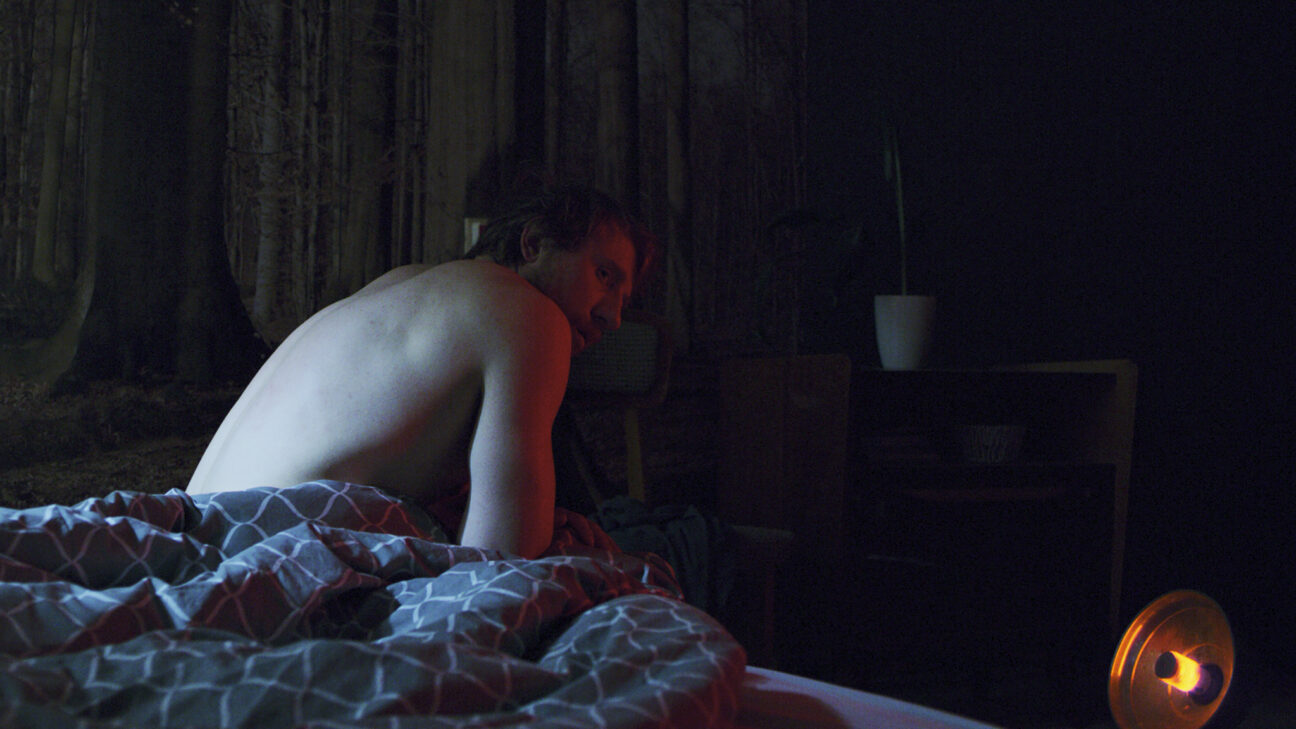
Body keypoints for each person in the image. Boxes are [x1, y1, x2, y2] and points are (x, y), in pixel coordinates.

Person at [186, 185, 656, 559]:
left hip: (192, 531)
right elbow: (503, 558)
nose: (613, 317)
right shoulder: (531, 313)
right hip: (262, 556)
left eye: (623, 299)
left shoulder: (403, 284)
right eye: (604, 276)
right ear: (533, 244)